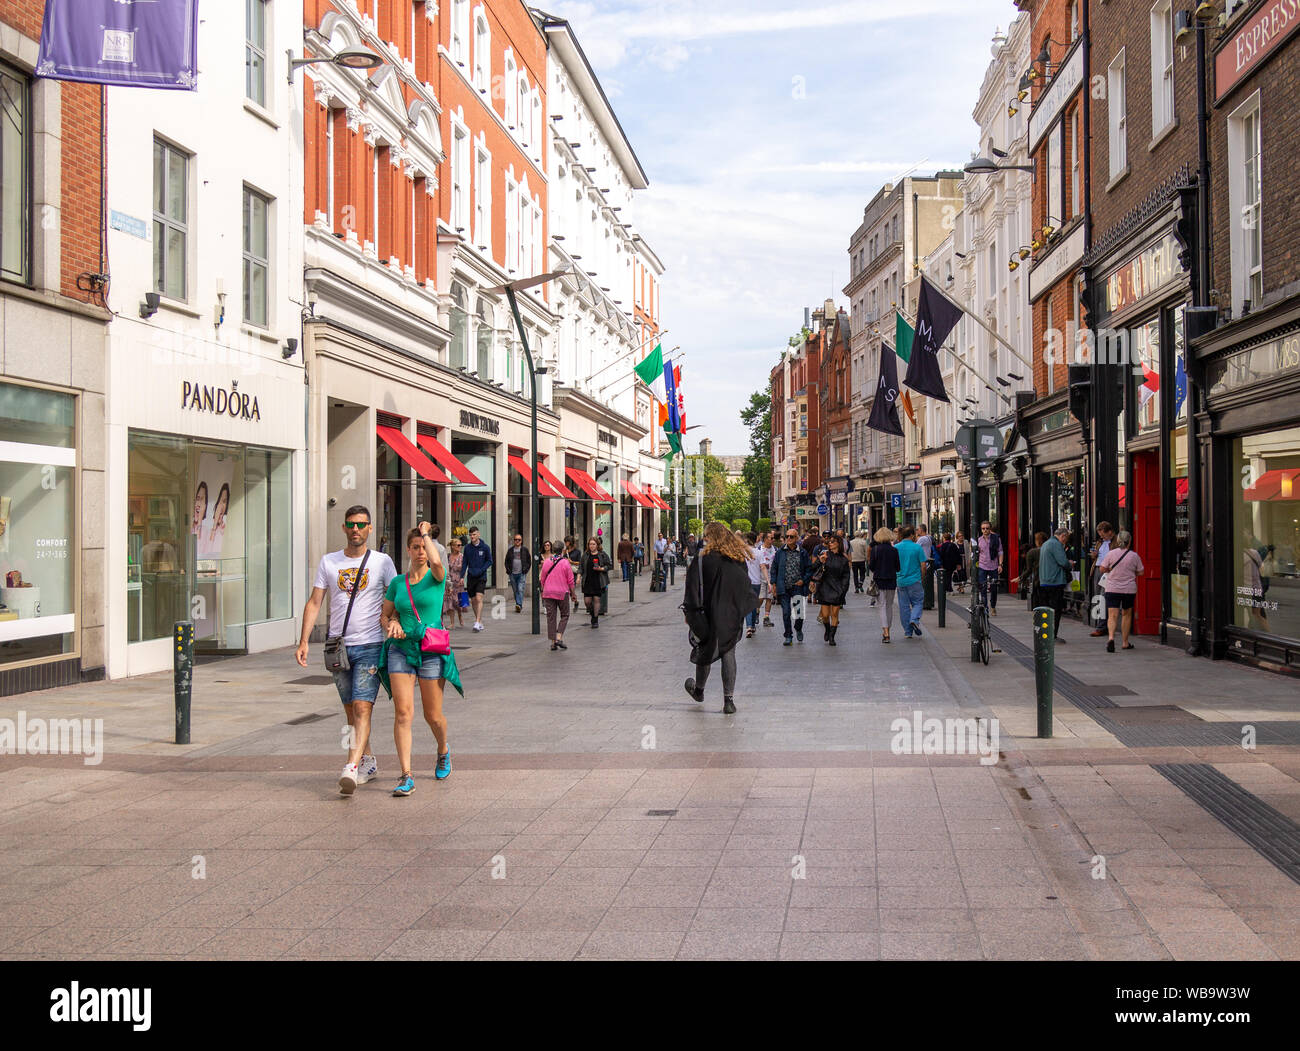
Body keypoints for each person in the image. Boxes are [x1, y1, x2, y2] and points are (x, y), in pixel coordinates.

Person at [296, 505, 398, 795]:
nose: (355, 529)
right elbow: (315, 602)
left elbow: (395, 597)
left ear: (369, 528)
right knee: (351, 711)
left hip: (370, 645)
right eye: (351, 524)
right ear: (344, 527)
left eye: (361, 525)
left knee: (364, 706)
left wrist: (392, 621)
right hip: (337, 647)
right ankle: (367, 761)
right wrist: (304, 641)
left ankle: (350, 767)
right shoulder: (329, 562)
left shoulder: (382, 562)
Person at [379, 523, 463, 796]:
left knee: (433, 715)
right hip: (401, 649)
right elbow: (386, 614)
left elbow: (438, 561)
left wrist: (427, 535)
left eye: (424, 547)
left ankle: (443, 750)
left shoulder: (436, 577)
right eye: (415, 547)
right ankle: (406, 775)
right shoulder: (396, 584)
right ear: (408, 550)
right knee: (403, 713)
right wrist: (391, 623)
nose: (420, 552)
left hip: (430, 650)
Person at [683, 522, 758, 715]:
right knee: (728, 652)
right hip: (730, 613)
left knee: (705, 649)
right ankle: (729, 701)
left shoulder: (701, 560)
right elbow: (745, 585)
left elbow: (691, 588)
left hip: (705, 613)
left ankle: (699, 690)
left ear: (711, 537)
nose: (704, 539)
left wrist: (689, 613)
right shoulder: (737, 559)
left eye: (706, 535)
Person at [1097, 530, 1144, 652]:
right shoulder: (1134, 556)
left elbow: (1102, 569)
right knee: (1126, 614)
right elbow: (1141, 572)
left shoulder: (1111, 554)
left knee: (1112, 615)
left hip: (1112, 588)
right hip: (1128, 589)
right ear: (1129, 542)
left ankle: (1111, 638)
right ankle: (1125, 642)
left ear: (1118, 542)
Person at [771, 526, 813, 645]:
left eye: (791, 536)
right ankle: (788, 635)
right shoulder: (780, 552)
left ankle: (798, 628)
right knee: (786, 612)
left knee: (799, 613)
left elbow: (809, 569)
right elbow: (774, 568)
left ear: (797, 538)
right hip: (783, 586)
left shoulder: (802, 552)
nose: (788, 538)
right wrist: (773, 583)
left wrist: (803, 580)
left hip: (797, 586)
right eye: (787, 536)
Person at [539, 539, 581, 650]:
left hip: (548, 593)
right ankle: (558, 637)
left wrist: (544, 590)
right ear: (562, 550)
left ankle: (553, 643)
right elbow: (570, 580)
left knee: (551, 617)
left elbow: (542, 578)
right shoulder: (565, 562)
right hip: (562, 592)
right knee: (565, 615)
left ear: (552, 549)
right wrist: (573, 594)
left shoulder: (547, 561)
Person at [814, 535, 852, 645]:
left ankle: (832, 636)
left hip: (837, 589)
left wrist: (843, 590)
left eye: (832, 541)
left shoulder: (843, 559)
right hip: (825, 587)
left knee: (834, 614)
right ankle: (827, 629)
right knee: (825, 615)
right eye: (829, 542)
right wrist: (821, 561)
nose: (830, 543)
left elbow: (846, 576)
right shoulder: (825, 555)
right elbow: (813, 568)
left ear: (838, 544)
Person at [1037, 528, 1073, 642]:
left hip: (1044, 581)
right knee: (1056, 610)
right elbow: (1063, 562)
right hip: (1055, 581)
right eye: (1066, 538)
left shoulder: (1046, 544)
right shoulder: (1056, 544)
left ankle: (1045, 634)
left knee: (1046, 610)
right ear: (1063, 536)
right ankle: (1053, 635)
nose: (1065, 541)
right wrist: (1070, 564)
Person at [895, 524, 927, 639]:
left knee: (903, 607)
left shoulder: (896, 547)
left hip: (901, 581)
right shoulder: (917, 547)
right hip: (914, 580)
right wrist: (922, 577)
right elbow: (923, 565)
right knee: (918, 602)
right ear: (912, 535)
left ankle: (908, 632)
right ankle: (914, 619)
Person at [869, 526, 900, 642]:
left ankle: (885, 631)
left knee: (881, 605)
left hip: (879, 580)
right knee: (889, 606)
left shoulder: (875, 550)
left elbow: (871, 566)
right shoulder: (894, 550)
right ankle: (888, 630)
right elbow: (898, 567)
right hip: (891, 580)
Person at [1087, 521, 1115, 637]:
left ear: (1110, 532)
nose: (1101, 537)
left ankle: (1101, 627)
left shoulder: (1116, 542)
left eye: (1103, 534)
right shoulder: (1100, 542)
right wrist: (1094, 555)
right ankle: (1099, 624)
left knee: (1103, 598)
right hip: (1098, 569)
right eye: (1100, 535)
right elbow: (1097, 556)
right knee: (1097, 597)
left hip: (1108, 571)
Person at [463, 526, 493, 631]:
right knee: (473, 600)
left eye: (474, 534)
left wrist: (481, 570)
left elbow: (490, 561)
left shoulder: (485, 547)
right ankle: (479, 620)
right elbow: (464, 562)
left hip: (481, 577)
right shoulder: (467, 548)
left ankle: (476, 622)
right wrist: (462, 576)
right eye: (470, 535)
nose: (472, 536)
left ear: (478, 534)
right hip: (471, 577)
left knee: (479, 598)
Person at [1011, 532, 1047, 610]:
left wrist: (1020, 578)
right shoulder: (1050, 551)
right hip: (1051, 580)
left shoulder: (1033, 552)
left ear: (1037, 541)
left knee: (1039, 603)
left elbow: (1029, 570)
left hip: (1039, 580)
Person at [580, 537, 612, 628]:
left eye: (593, 544)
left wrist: (601, 569)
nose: (592, 546)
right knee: (587, 602)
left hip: (598, 580)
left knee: (597, 599)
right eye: (590, 544)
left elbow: (609, 565)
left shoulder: (602, 555)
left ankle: (595, 619)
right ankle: (592, 613)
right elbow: (581, 567)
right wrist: (578, 577)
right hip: (588, 580)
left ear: (597, 545)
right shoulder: (585, 555)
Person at [975, 521, 1004, 615]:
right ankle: (985, 607)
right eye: (983, 528)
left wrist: (1000, 564)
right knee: (982, 587)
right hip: (982, 566)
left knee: (994, 588)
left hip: (993, 566)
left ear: (990, 529)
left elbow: (1000, 552)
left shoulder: (996, 539)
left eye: (987, 528)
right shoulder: (979, 540)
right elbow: (976, 554)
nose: (985, 530)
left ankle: (993, 606)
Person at [442, 536, 467, 628]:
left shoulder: (462, 556)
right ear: (452, 546)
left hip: (458, 582)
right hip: (449, 582)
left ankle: (460, 615)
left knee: (457, 602)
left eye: (460, 545)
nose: (460, 547)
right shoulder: (448, 556)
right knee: (449, 602)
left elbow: (464, 569)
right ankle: (452, 623)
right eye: (458, 545)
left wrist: (462, 578)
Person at [505, 532, 532, 614]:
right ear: (514, 541)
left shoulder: (525, 550)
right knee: (515, 590)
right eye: (516, 539)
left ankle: (519, 605)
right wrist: (508, 570)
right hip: (512, 573)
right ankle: (518, 605)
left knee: (520, 589)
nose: (517, 541)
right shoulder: (510, 550)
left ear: (521, 541)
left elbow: (529, 561)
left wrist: (526, 570)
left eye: (519, 540)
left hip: (521, 573)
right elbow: (506, 561)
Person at [742, 532, 763, 638]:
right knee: (753, 604)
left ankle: (750, 626)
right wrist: (768, 581)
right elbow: (763, 567)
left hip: (746, 582)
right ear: (756, 540)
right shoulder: (759, 553)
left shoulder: (743, 552)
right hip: (757, 582)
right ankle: (752, 625)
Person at [757, 531, 777, 627]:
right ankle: (756, 612)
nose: (772, 540)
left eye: (773, 538)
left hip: (771, 578)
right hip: (760, 577)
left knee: (769, 598)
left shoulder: (775, 549)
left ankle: (766, 618)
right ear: (765, 539)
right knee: (761, 597)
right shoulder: (759, 549)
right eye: (770, 538)